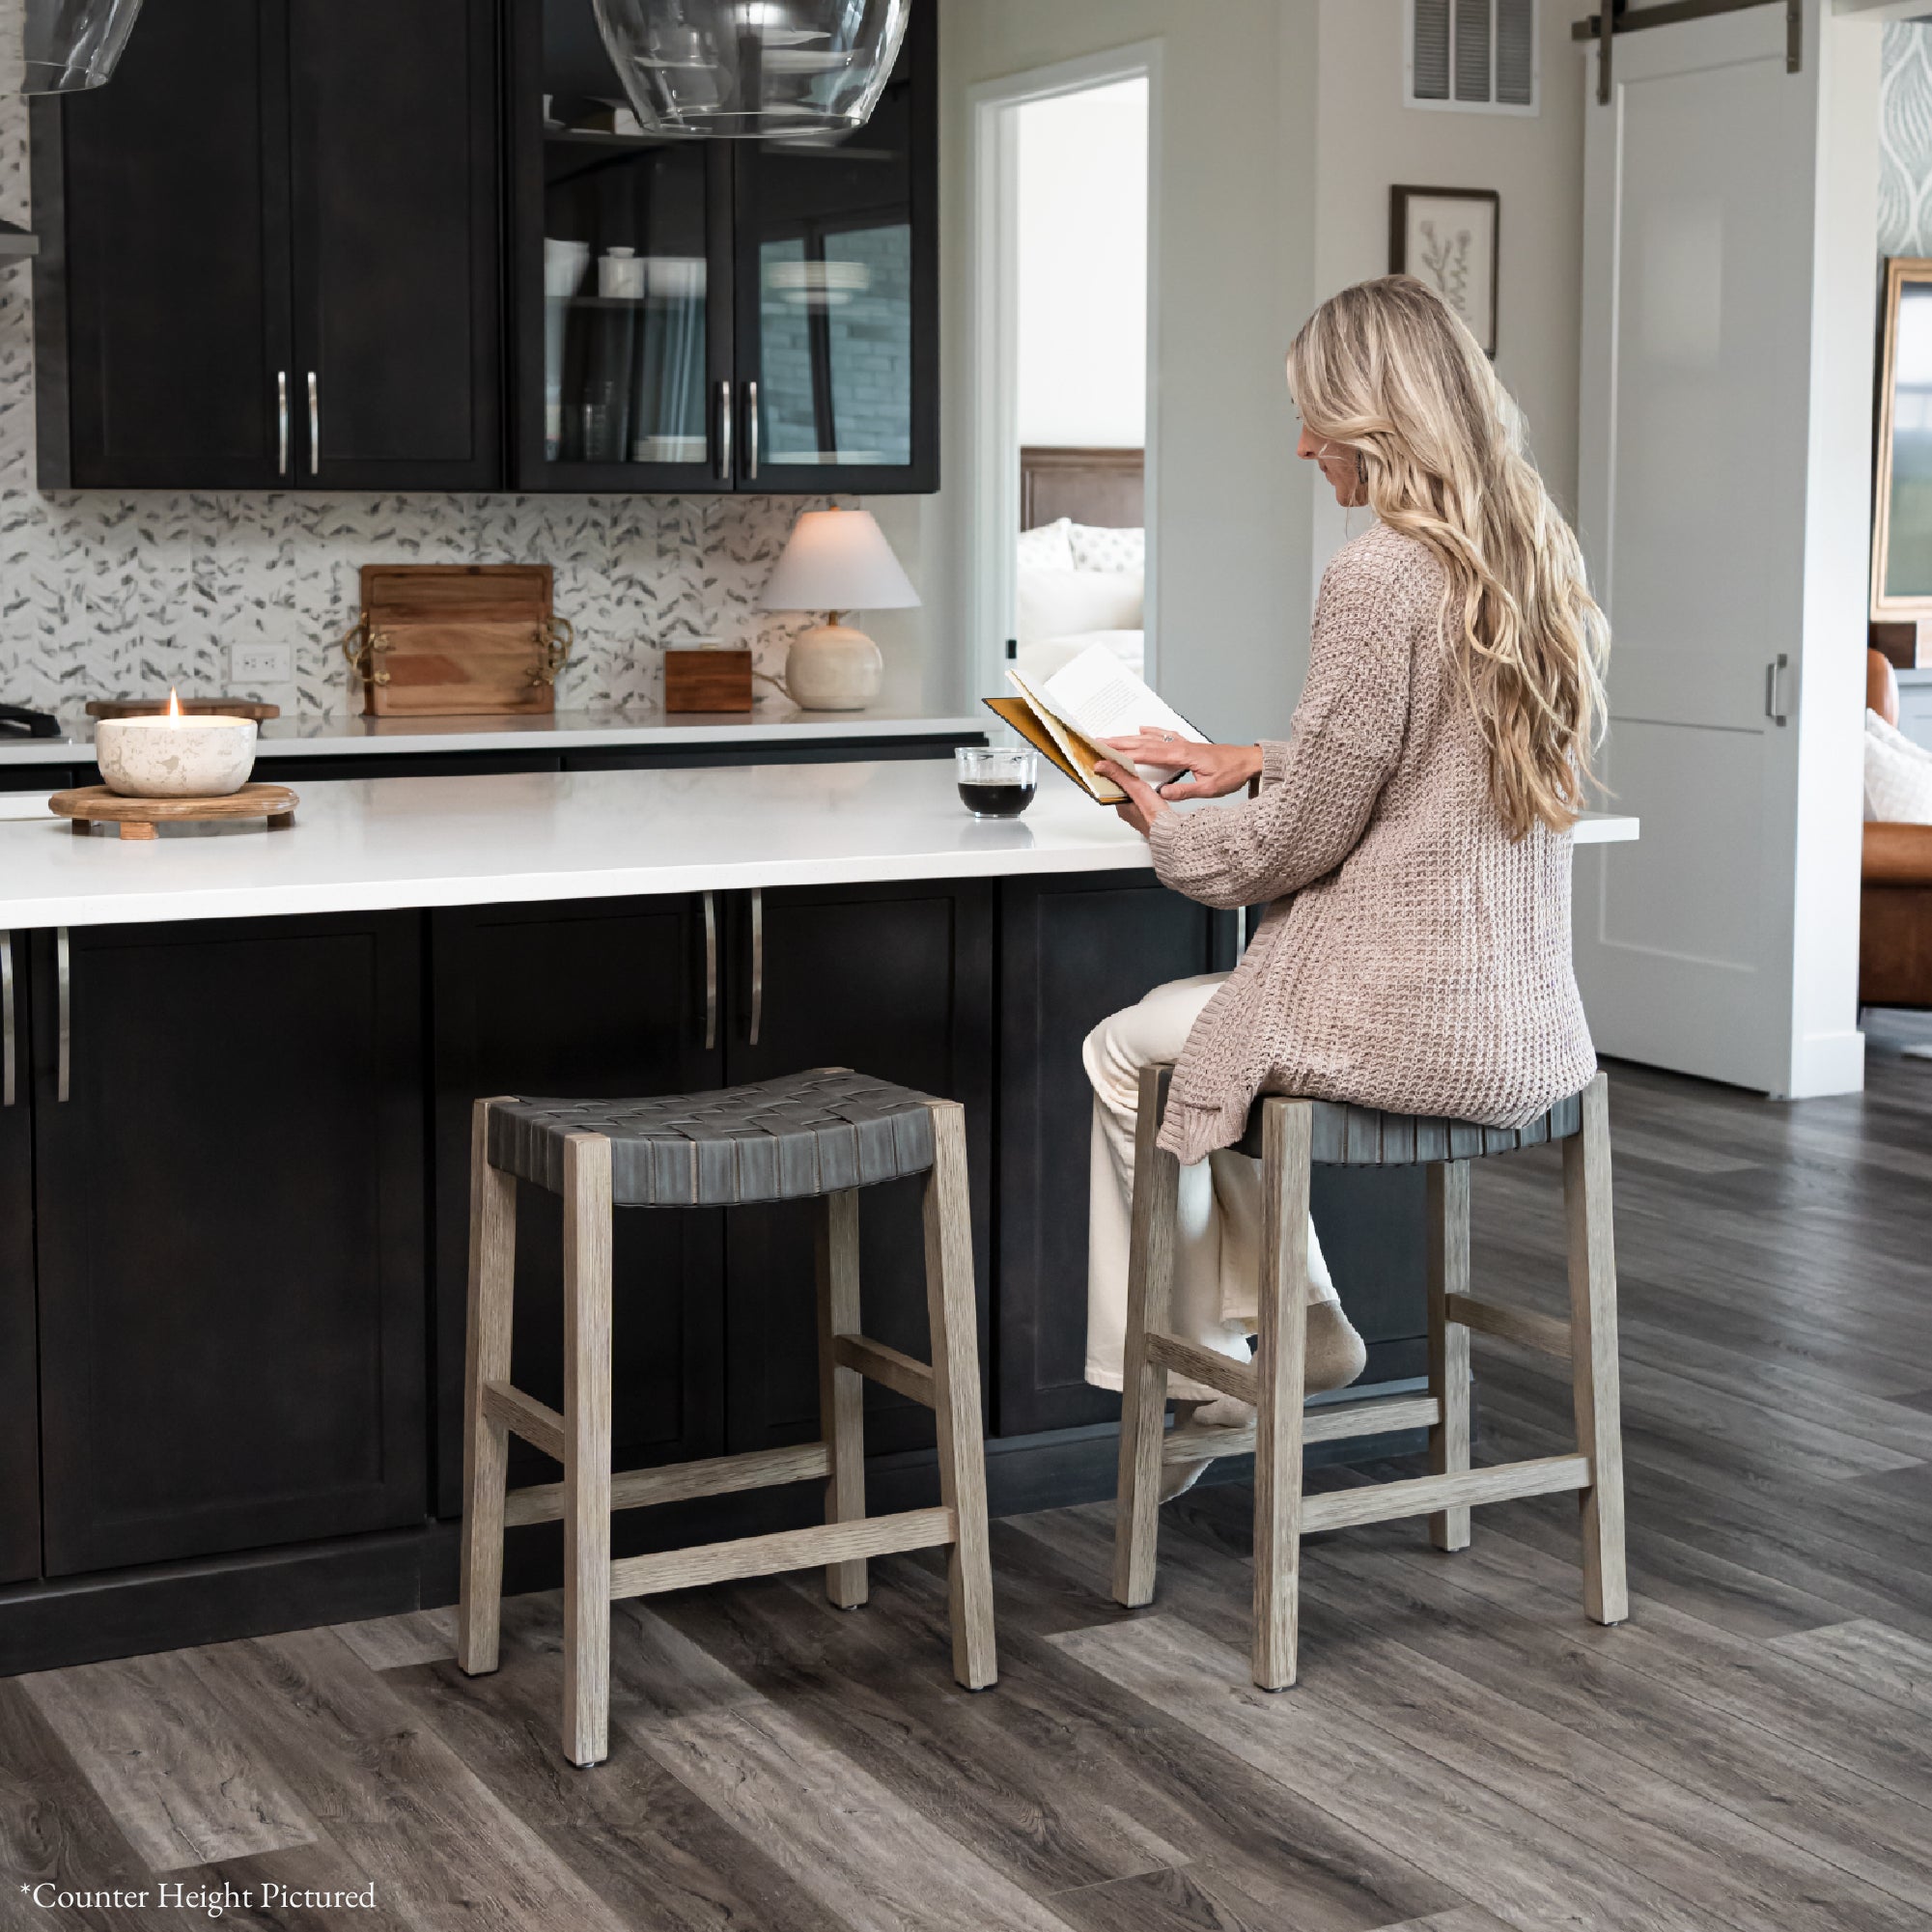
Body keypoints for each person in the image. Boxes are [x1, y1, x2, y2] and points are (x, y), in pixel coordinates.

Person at [1083, 274, 1609, 1496]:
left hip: (1401, 1024)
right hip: (1529, 1029)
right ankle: (1306, 1316)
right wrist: (1258, 758)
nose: (1304, 444)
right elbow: (1431, 761)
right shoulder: (1533, 557)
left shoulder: (1378, 574)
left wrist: (1162, 825)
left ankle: (1203, 1373)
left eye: (1315, 416)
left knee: (1128, 1050)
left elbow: (1291, 849)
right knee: (1211, 1040)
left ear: (1379, 417)